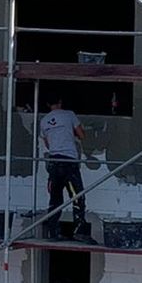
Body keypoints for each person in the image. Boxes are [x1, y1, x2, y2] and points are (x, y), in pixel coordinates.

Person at [40, 95, 93, 241]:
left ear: (47, 104)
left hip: (54, 163)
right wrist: (71, 137)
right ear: (60, 101)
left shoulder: (43, 121)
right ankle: (79, 232)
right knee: (77, 197)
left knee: (55, 200)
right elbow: (82, 135)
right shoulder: (69, 115)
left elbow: (48, 144)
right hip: (69, 162)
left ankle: (52, 232)